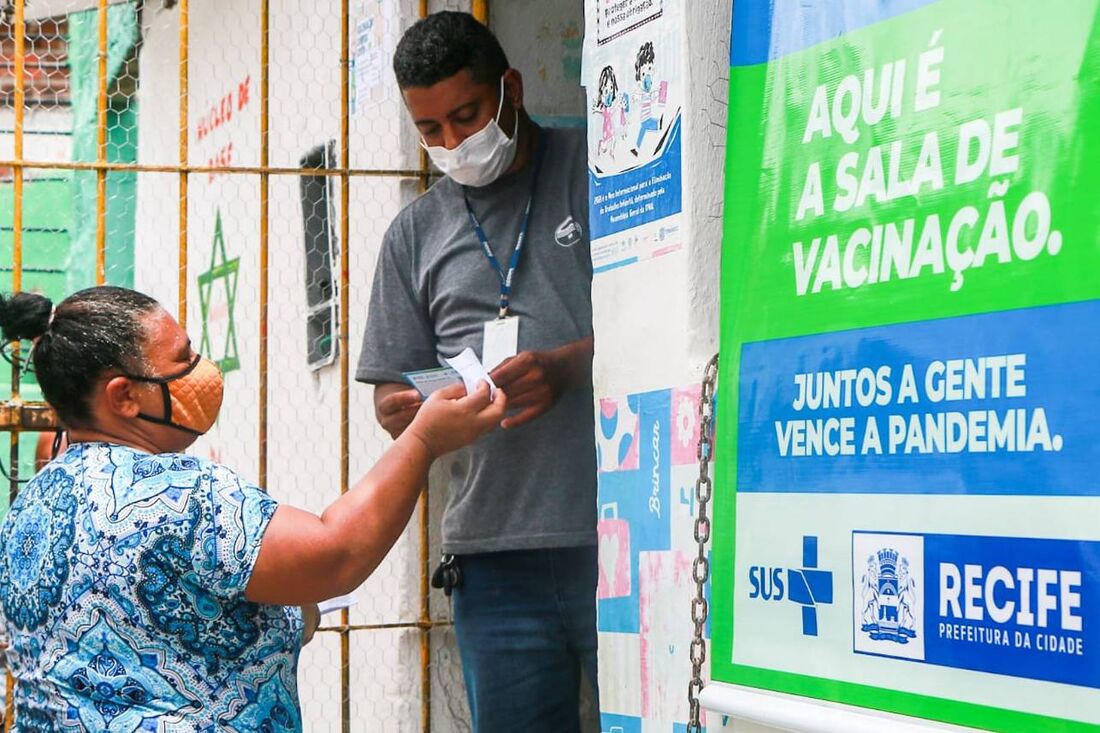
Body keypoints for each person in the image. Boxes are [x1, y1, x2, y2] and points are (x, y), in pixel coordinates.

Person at [0, 286, 505, 730]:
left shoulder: (33, 504)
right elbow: (336, 555)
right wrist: (422, 442)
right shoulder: (176, 494)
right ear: (124, 396)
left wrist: (287, 616)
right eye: (182, 360)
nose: (202, 371)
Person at [356, 11, 598, 732]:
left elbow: (667, 323)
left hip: (619, 533)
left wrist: (566, 367)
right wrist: (415, 411)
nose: (454, 142)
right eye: (430, 129)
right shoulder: (414, 233)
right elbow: (392, 396)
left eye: (466, 115)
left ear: (511, 89)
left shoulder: (597, 172)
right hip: (493, 561)